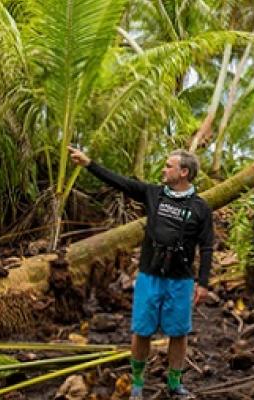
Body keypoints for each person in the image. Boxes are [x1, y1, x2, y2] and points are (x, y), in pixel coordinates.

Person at [68, 146, 213, 399]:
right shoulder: (153, 194)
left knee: (178, 333)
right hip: (150, 275)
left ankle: (174, 383)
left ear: (184, 172)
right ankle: (137, 383)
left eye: (169, 165)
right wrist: (89, 163)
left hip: (180, 280)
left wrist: (203, 283)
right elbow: (120, 182)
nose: (164, 169)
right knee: (142, 330)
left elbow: (208, 246)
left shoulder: (201, 208)